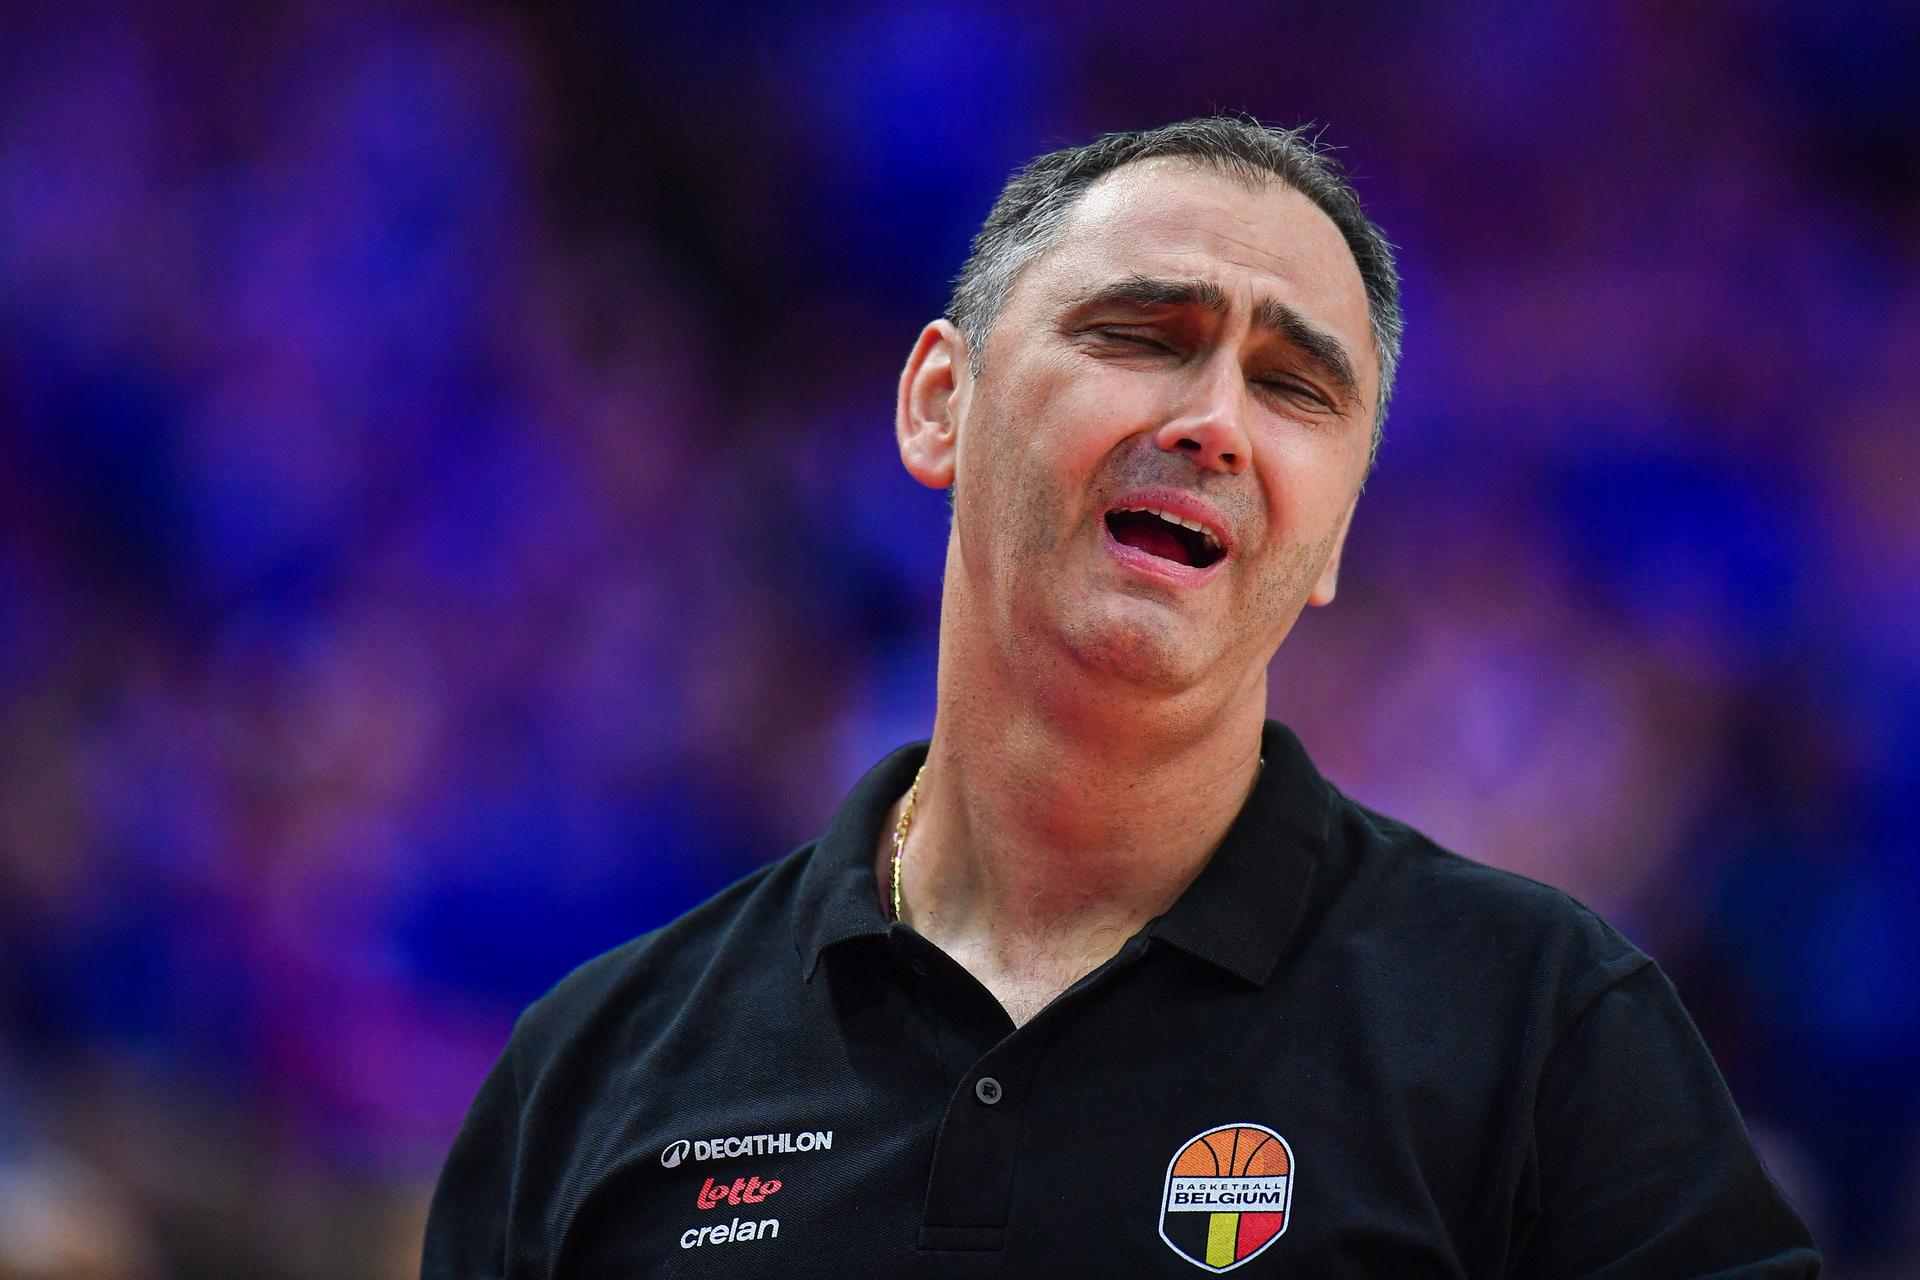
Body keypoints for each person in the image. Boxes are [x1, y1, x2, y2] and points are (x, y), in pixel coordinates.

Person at [422, 118, 1819, 1277]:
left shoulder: (1544, 1030)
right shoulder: (598, 1070)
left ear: (1331, 537)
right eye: (1145, 334)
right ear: (938, 407)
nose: (1214, 419)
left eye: (1292, 386)